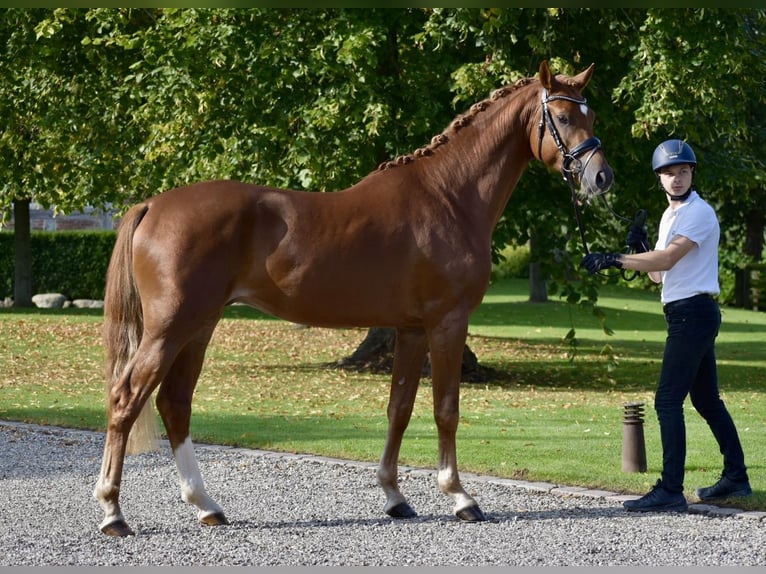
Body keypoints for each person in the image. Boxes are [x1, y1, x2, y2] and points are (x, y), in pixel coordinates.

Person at [580, 139, 751, 512]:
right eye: (669, 173)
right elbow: (658, 274)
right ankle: (736, 477)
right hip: (685, 313)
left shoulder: (698, 213)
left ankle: (671, 489)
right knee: (706, 400)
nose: (677, 178)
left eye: (683, 171)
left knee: (667, 400)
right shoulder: (670, 216)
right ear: (659, 178)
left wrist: (614, 259)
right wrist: (640, 246)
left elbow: (671, 258)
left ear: (692, 174)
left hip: (693, 313)